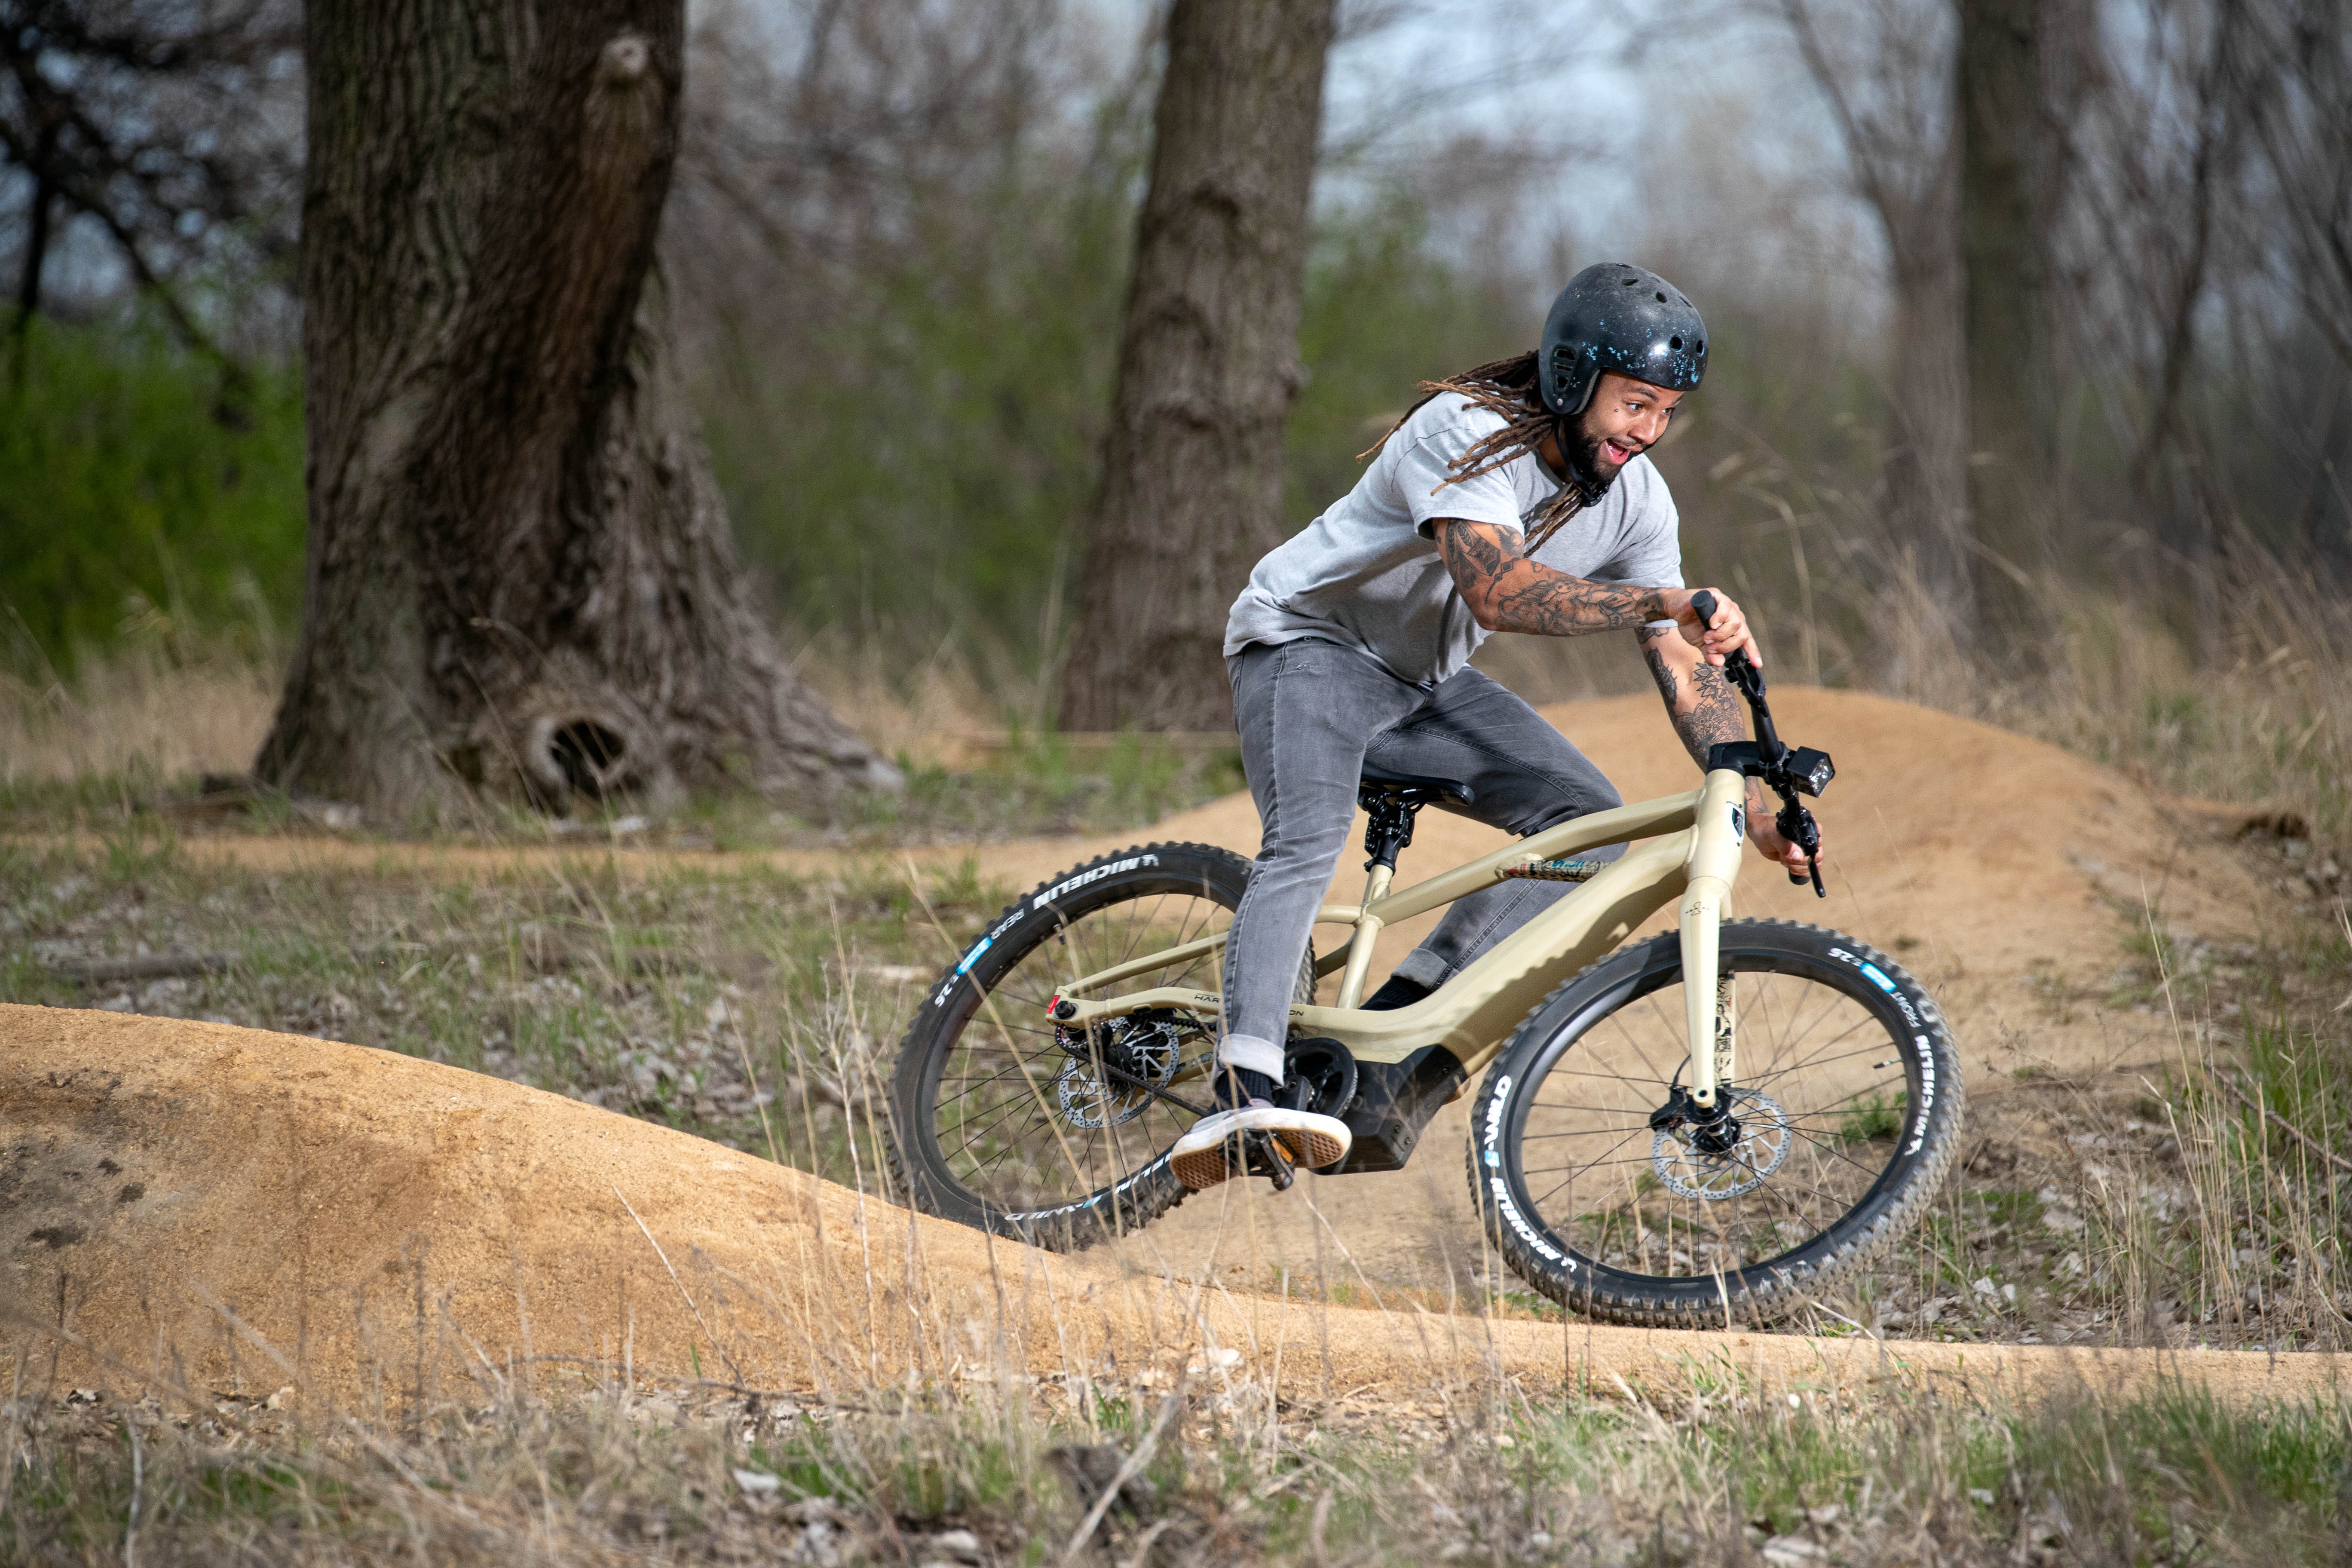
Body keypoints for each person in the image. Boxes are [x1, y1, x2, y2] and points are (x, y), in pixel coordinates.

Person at [1167, 262, 1822, 1192]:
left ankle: (1398, 1034)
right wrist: (1665, 598)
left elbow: (1680, 663)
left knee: (1585, 831)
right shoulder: (1466, 433)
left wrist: (1755, 807)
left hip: (1422, 683)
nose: (1649, 431)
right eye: (1634, 403)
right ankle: (1241, 1085)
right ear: (1570, 378)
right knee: (1307, 843)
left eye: (1667, 413)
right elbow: (1499, 590)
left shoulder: (1639, 499)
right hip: (1306, 646)